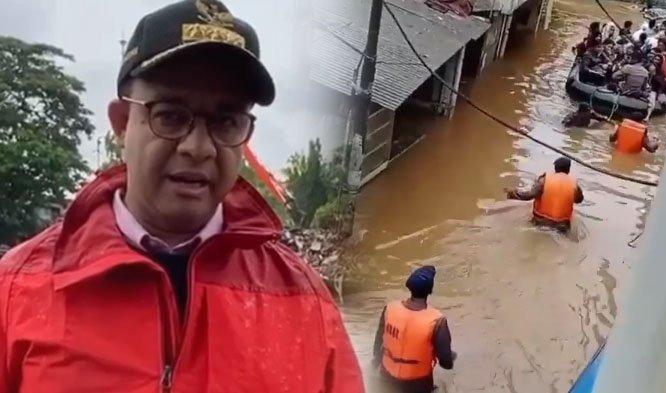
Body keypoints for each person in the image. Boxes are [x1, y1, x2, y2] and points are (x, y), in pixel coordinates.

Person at [0, 1, 364, 392]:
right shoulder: (19, 291)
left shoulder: (306, 304)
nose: (199, 147)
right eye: (171, 115)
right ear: (122, 124)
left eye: (226, 121)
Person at [373, 266, 456, 393]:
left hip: (386, 379)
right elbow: (446, 364)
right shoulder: (437, 321)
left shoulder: (389, 309)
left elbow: (378, 345)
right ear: (430, 291)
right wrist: (451, 356)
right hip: (417, 386)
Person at [505, 157, 584, 232]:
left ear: (555, 168)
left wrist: (513, 193)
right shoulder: (574, 185)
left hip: (541, 221)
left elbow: (529, 195)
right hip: (562, 225)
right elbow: (579, 200)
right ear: (568, 170)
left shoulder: (544, 180)